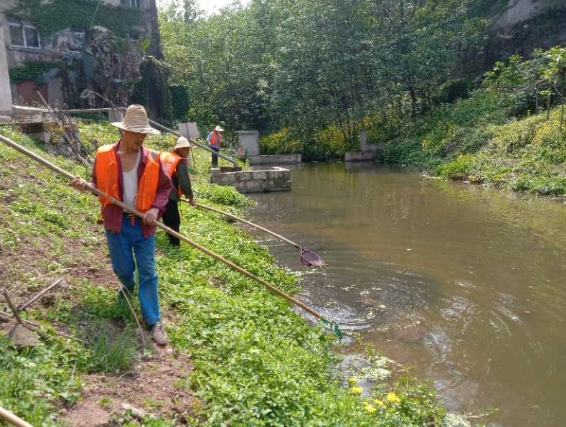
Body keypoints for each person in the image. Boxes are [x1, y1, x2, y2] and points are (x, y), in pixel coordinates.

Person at [71, 105, 172, 346]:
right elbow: (96, 183)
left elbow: (164, 188)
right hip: (116, 222)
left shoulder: (153, 158)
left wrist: (155, 209)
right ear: (124, 131)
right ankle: (127, 285)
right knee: (123, 268)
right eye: (136, 132)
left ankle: (154, 320)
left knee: (148, 271)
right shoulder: (105, 155)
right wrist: (85, 185)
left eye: (143, 133)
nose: (141, 137)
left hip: (143, 224)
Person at [161, 136, 196, 247]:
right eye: (185, 149)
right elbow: (184, 181)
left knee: (167, 218)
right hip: (169, 194)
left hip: (159, 194)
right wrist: (190, 197)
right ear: (179, 149)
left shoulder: (167, 157)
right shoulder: (179, 161)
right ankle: (175, 245)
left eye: (188, 149)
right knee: (174, 221)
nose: (187, 151)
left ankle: (171, 241)